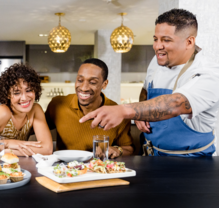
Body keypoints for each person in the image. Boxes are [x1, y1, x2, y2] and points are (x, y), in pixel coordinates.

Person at [79, 9, 219, 157]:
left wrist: (123, 110)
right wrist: (141, 114)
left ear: (189, 42)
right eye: (155, 39)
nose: (157, 46)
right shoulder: (158, 61)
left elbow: (176, 104)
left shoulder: (209, 73)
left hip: (191, 162)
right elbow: (146, 89)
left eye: (166, 40)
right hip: (149, 155)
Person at [45, 58, 134, 158]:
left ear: (104, 84)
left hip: (97, 170)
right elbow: (33, 129)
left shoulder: (117, 113)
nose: (84, 88)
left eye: (92, 82)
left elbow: (128, 149)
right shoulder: (57, 104)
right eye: (80, 80)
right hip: (62, 170)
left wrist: (118, 150)